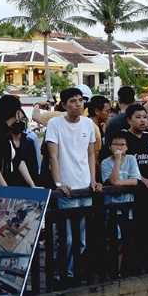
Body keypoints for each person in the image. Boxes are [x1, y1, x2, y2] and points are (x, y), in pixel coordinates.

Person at [45, 88, 101, 283]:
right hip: (68, 187)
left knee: (81, 238)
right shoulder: (55, 123)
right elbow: (53, 155)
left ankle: (72, 271)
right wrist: (59, 182)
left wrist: (93, 180)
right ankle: (61, 273)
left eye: (80, 100)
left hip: (84, 186)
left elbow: (91, 154)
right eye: (73, 101)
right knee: (67, 236)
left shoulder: (88, 124)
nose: (78, 104)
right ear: (64, 104)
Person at [100, 130, 148, 275]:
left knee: (128, 239)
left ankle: (123, 270)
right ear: (109, 146)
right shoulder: (105, 163)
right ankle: (113, 270)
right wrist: (116, 161)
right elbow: (113, 181)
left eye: (122, 144)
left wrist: (120, 183)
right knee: (116, 239)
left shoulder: (131, 160)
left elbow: (135, 180)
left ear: (127, 147)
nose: (119, 147)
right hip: (112, 207)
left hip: (128, 207)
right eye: (115, 144)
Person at [0, 96, 38, 187]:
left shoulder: (5, 130)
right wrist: (4, 187)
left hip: (4, 184)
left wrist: (32, 184)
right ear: (17, 113)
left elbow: (18, 159)